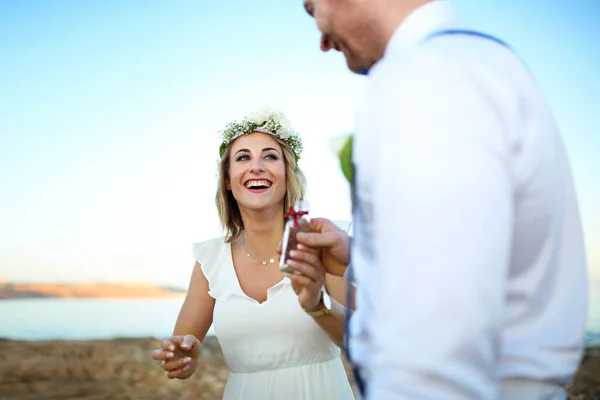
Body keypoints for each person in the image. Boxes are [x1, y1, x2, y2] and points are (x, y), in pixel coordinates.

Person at [294, 0, 589, 399]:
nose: (323, 42)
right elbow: (475, 256)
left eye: (313, 10)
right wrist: (357, 255)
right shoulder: (489, 63)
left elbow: (431, 349)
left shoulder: (424, 78)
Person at [150, 108, 355, 399]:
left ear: (287, 176)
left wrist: (317, 305)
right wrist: (184, 357)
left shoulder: (322, 240)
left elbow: (360, 340)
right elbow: (183, 344)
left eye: (270, 156)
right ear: (228, 181)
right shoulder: (211, 260)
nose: (256, 166)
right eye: (243, 157)